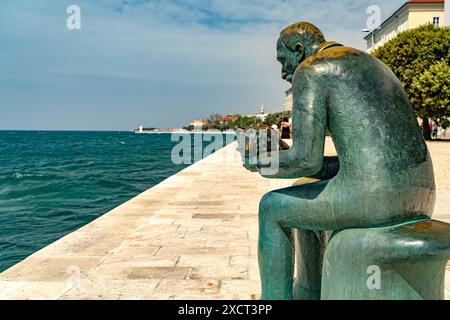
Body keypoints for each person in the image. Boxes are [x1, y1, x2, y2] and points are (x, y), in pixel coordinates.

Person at [240, 21, 435, 300]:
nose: (284, 73)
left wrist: (259, 161)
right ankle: (310, 291)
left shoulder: (312, 70)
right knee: (302, 187)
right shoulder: (372, 64)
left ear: (299, 49)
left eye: (284, 61)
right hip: (420, 195)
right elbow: (354, 162)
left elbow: (305, 159)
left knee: (271, 207)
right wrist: (280, 153)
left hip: (376, 200)